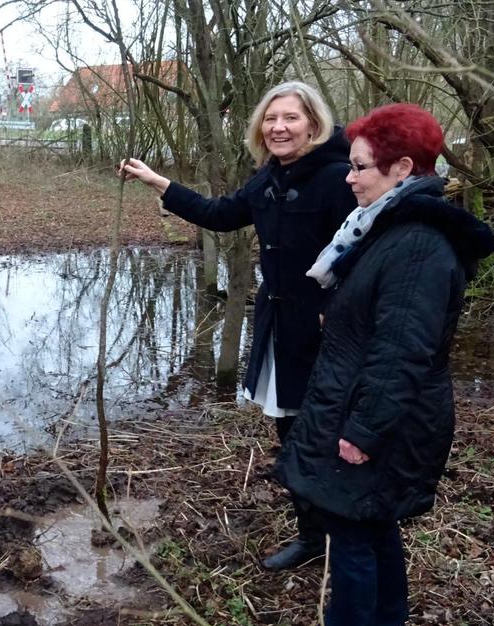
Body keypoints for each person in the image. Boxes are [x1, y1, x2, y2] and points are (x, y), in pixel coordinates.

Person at [119, 81, 358, 570]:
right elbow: (221, 214)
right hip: (278, 324)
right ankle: (314, 537)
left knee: (323, 433)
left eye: (290, 118)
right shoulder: (268, 178)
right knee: (288, 430)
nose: (278, 128)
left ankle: (341, 537)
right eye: (271, 120)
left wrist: (335, 309)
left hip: (324, 332)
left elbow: (358, 253)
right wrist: (159, 183)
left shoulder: (339, 178)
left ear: (314, 123)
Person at [275, 103, 494, 626]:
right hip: (359, 406)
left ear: (401, 169)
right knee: (369, 526)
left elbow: (403, 348)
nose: (348, 178)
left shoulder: (416, 244)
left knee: (353, 536)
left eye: (359, 167)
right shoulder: (384, 228)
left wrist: (365, 430)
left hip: (382, 420)